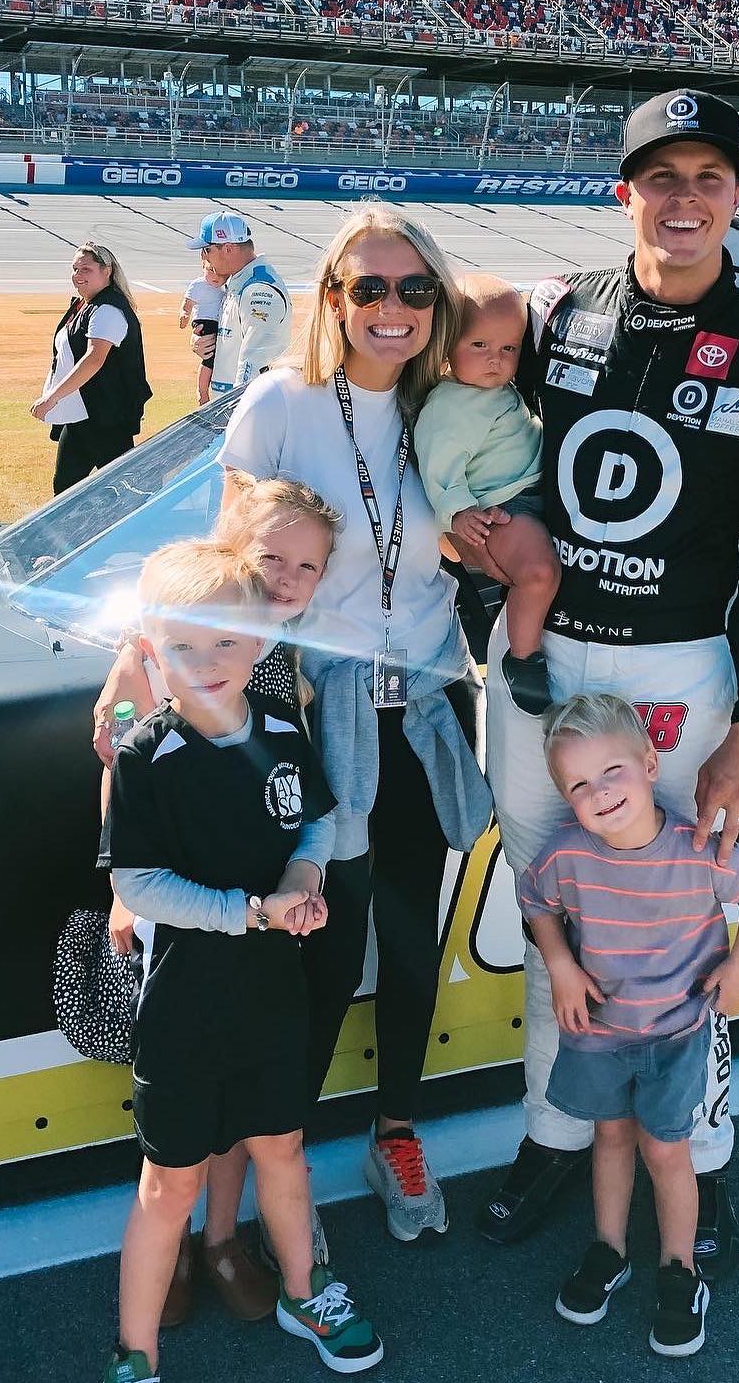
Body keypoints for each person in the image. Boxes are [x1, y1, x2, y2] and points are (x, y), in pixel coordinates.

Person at [467, 88, 739, 1277]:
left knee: (683, 932)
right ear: (622, 189)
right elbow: (459, 435)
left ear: (737, 194)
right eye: (660, 174)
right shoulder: (557, 313)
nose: (684, 196)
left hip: (681, 673)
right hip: (540, 661)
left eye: (709, 176)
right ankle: (554, 1128)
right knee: (551, 919)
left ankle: (702, 1151)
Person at [219, 204, 493, 1244]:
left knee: (411, 943)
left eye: (415, 290)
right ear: (331, 295)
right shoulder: (281, 403)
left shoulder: (451, 409)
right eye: (368, 288)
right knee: (323, 949)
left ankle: (397, 1126)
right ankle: (281, 1164)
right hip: (312, 708)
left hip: (422, 705)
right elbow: (229, 562)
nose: (393, 309)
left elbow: (481, 534)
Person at [100, 540, 384, 1381]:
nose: (207, 661)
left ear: (260, 638)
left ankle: (306, 1291)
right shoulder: (147, 756)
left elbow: (319, 824)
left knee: (282, 1152)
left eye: (225, 638)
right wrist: (249, 913)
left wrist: (302, 876)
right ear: (150, 649)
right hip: (186, 1010)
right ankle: (136, 1352)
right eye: (182, 645)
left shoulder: (286, 732)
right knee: (170, 1188)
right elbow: (140, 882)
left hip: (271, 1001)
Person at [519, 694, 739, 1358]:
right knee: (609, 1137)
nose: (599, 792)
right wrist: (560, 964)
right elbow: (535, 900)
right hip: (603, 1033)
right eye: (578, 784)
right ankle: (609, 1250)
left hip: (677, 1032)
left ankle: (679, 1270)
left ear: (649, 761)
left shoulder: (697, 848)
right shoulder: (565, 855)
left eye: (611, 771)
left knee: (667, 1150)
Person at [413, 273, 560, 713]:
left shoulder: (495, 390)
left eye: (508, 349)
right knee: (538, 574)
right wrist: (459, 515)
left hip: (532, 494)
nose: (495, 360)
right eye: (479, 346)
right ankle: (522, 659)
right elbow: (439, 469)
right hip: (504, 509)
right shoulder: (449, 405)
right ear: (446, 345)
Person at [33, 241, 152, 495]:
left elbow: (94, 359)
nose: (78, 275)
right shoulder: (85, 304)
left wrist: (52, 398)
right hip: (82, 416)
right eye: (75, 269)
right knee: (66, 489)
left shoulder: (107, 309)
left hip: (104, 419)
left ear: (106, 270)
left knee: (125, 491)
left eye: (85, 269)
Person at [186, 211, 292, 395]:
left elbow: (254, 363)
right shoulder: (238, 283)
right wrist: (202, 341)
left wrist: (239, 414)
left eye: (206, 250)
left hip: (245, 408)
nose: (204, 258)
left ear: (228, 249)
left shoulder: (259, 290)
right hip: (230, 404)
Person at [179, 249, 229, 407]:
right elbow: (187, 304)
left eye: (220, 273)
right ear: (203, 266)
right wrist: (184, 315)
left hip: (218, 323)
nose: (215, 277)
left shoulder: (224, 287)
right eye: (210, 271)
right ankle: (202, 391)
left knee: (213, 358)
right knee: (209, 358)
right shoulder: (199, 284)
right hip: (205, 322)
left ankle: (204, 391)